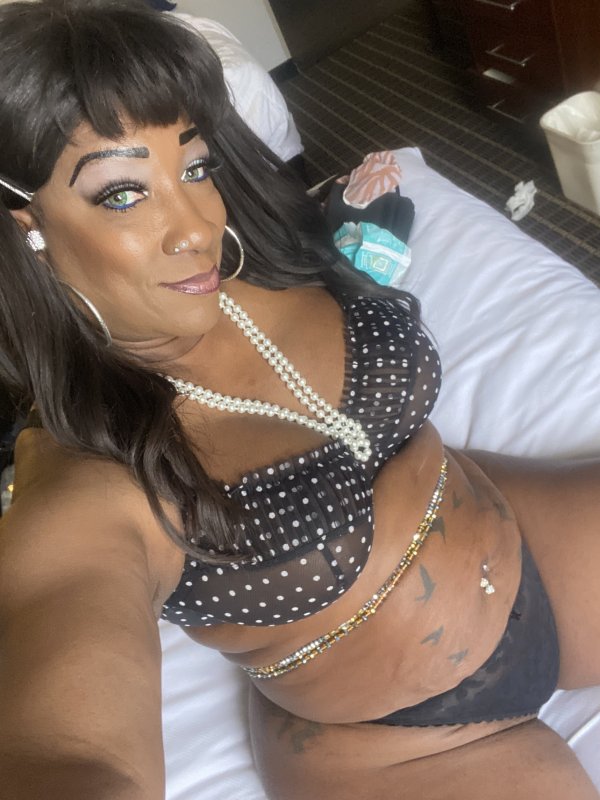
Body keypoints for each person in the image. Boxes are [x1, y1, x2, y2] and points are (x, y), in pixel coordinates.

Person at [0, 2, 598, 799]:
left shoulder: (263, 258)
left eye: (194, 166)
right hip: (398, 741)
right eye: (122, 194)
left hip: (523, 541)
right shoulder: (84, 480)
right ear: (29, 226)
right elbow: (69, 753)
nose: (196, 227)